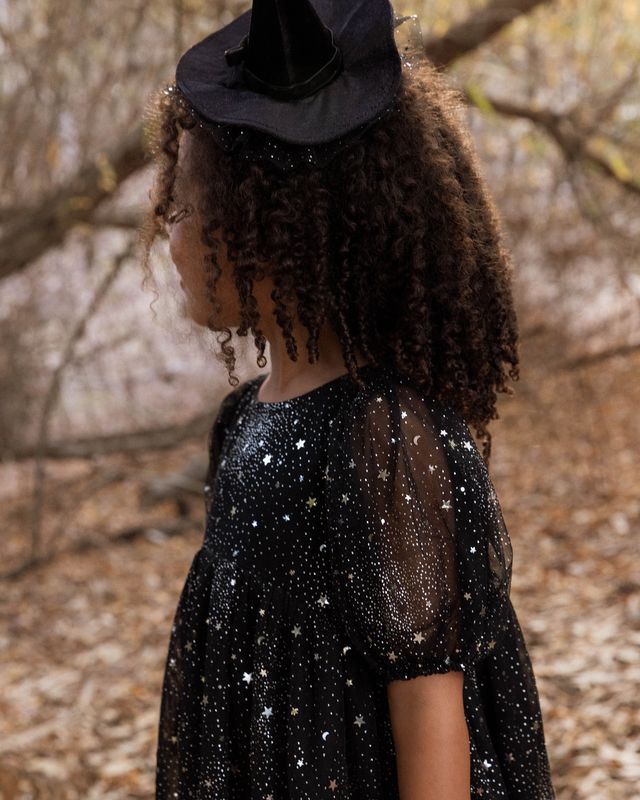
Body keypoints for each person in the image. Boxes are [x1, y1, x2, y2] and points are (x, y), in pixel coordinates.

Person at [139, 0, 557, 797]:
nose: (167, 227)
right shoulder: (243, 421)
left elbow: (431, 712)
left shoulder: (383, 438)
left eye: (186, 206)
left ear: (272, 230)